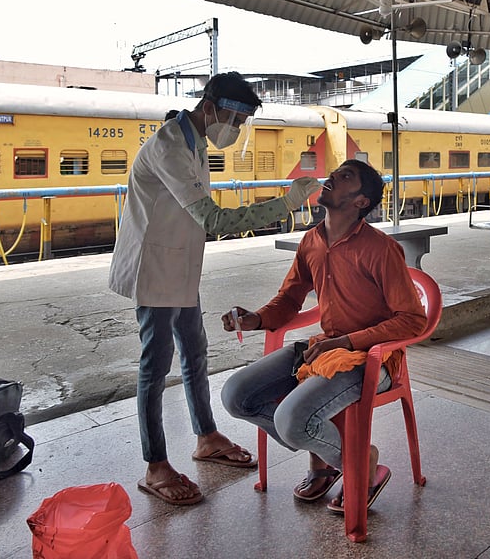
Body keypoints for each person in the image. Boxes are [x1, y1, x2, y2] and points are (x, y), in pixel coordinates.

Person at [109, 72, 321, 506]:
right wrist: (286, 203)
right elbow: (216, 221)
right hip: (155, 268)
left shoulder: (196, 142)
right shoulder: (170, 147)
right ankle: (155, 465)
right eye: (234, 120)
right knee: (155, 365)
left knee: (195, 351)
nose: (236, 130)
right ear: (209, 108)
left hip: (180, 265)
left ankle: (206, 437)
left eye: (241, 123)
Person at [220, 159, 427, 513]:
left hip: (370, 358)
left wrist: (346, 342)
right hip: (323, 349)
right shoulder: (312, 240)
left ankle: (361, 464)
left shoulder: (381, 249)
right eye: (335, 172)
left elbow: (412, 320)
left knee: (291, 420)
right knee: (236, 395)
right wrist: (254, 319)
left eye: (344, 176)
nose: (331, 177)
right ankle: (331, 454)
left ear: (361, 202)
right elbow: (289, 300)